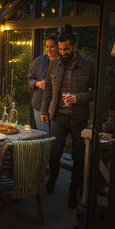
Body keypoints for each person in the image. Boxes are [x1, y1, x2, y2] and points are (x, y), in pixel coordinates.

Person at [40, 24, 94, 209]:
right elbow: (47, 88)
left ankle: (73, 189)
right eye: (61, 49)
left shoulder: (87, 66)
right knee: (54, 154)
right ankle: (53, 178)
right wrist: (44, 110)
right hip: (58, 117)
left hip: (78, 118)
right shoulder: (54, 65)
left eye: (66, 49)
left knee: (78, 157)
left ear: (75, 46)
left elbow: (94, 92)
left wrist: (78, 98)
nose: (62, 53)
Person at [28, 32, 59, 133]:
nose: (48, 49)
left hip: (57, 106)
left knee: (56, 136)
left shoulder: (63, 63)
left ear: (58, 47)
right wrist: (37, 83)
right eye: (47, 46)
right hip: (39, 104)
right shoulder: (38, 61)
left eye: (52, 47)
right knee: (44, 134)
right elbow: (30, 78)